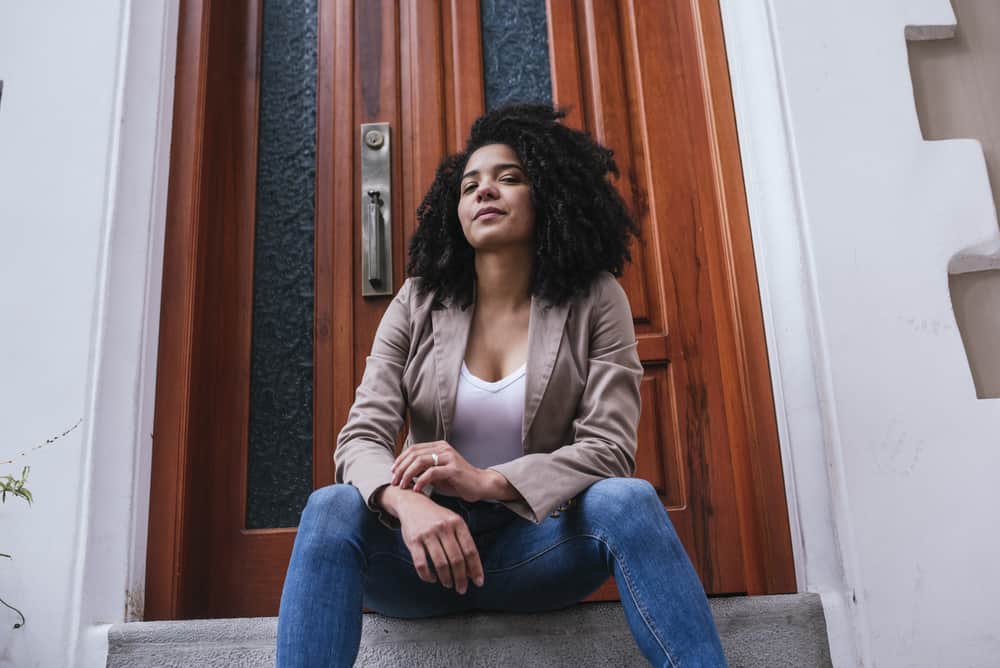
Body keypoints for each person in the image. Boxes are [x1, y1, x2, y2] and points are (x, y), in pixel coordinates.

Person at [276, 104, 727, 667]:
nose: (486, 191)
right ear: (456, 211)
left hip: (532, 550)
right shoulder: (417, 302)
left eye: (508, 178)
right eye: (471, 185)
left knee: (628, 500)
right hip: (422, 557)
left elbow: (608, 449)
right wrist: (405, 503)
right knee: (330, 507)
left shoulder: (595, 298)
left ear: (549, 197)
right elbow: (361, 438)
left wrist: (487, 481)